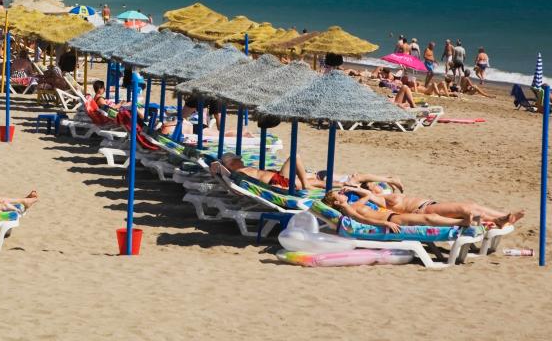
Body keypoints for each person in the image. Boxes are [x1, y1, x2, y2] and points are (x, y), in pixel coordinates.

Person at [211, 152, 402, 192]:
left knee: (342, 181)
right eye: (237, 159)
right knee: (295, 156)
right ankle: (361, 183)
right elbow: (218, 168)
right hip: (278, 183)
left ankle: (357, 185)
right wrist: (219, 167)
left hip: (280, 179)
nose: (241, 160)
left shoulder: (241, 171)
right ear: (231, 163)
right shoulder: (239, 173)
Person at [352, 184, 524, 227]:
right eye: (373, 185)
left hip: (431, 204)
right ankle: (499, 220)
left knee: (471, 205)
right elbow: (366, 194)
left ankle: (503, 216)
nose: (377, 185)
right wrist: (355, 188)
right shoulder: (380, 199)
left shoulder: (386, 193)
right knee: (466, 210)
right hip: (425, 210)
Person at [323, 190, 475, 231]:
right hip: (390, 220)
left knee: (431, 216)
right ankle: (462, 222)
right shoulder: (348, 210)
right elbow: (363, 220)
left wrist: (350, 188)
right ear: (337, 202)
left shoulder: (352, 204)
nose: (343, 194)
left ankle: (463, 221)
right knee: (428, 219)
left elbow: (368, 195)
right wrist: (385, 225)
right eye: (340, 194)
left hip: (392, 216)